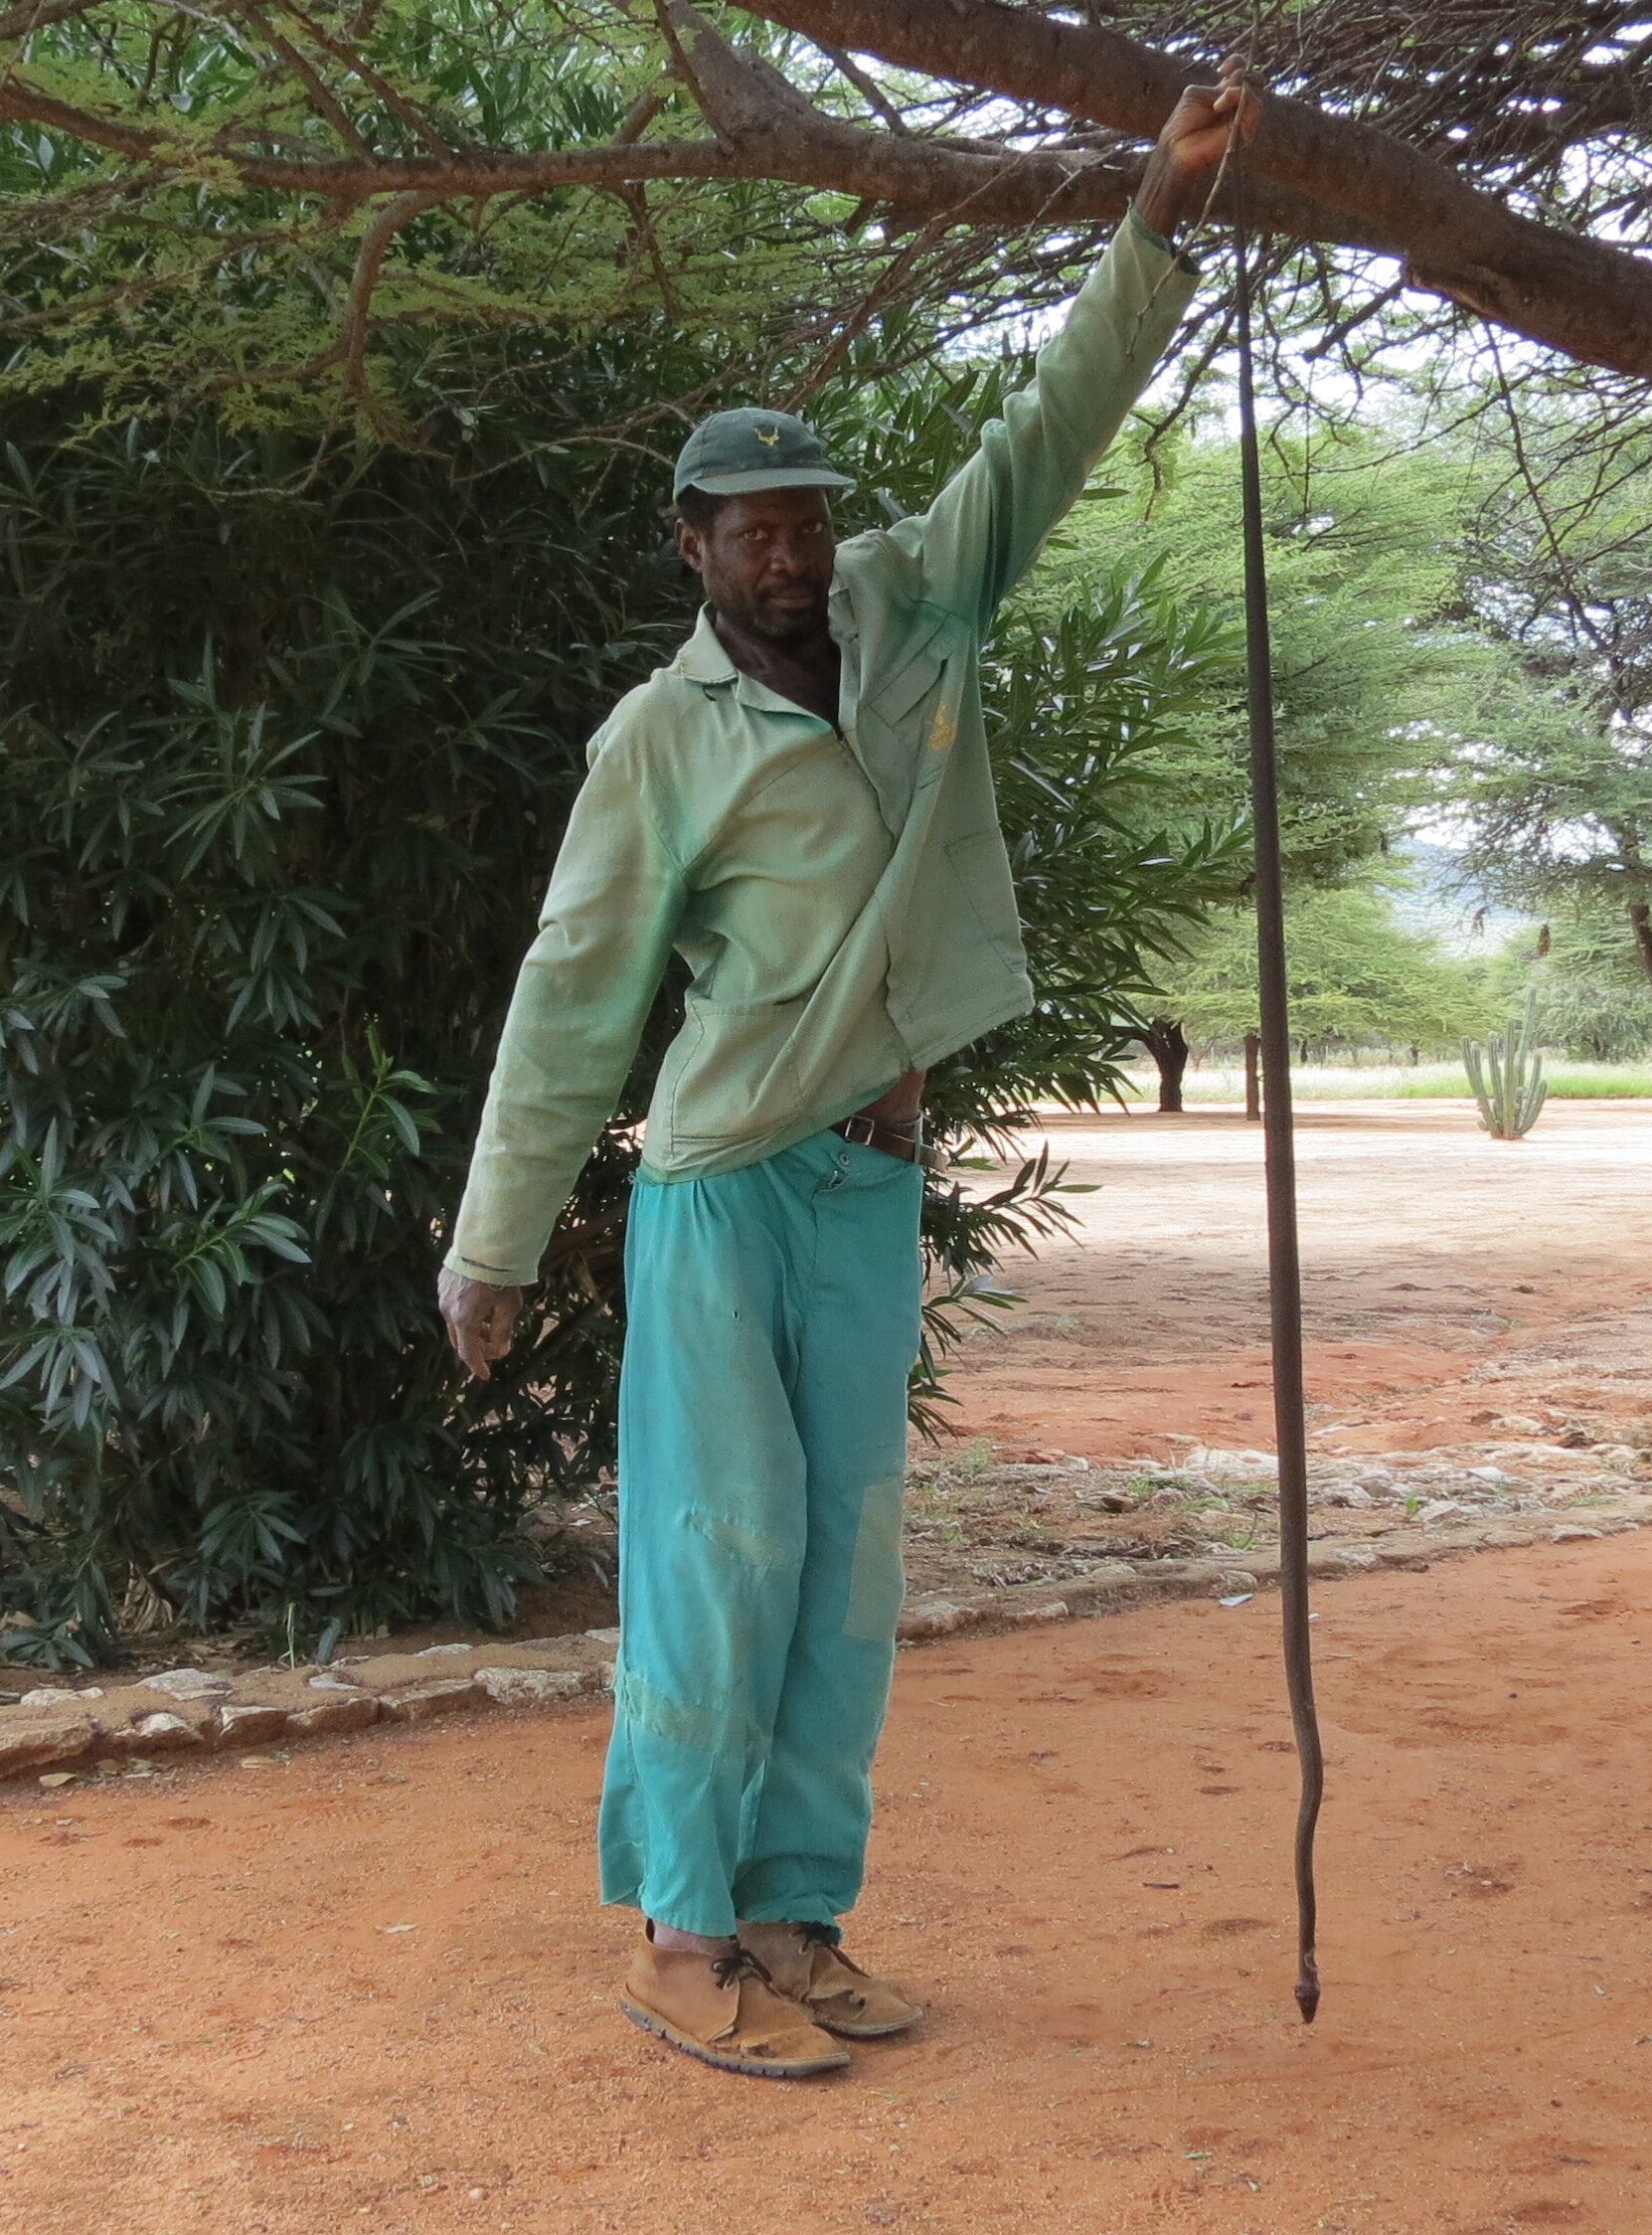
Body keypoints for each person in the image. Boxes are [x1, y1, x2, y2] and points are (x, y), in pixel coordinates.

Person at [430, 71, 1253, 2078]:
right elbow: (570, 991)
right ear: (693, 541)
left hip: (864, 1186)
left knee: (848, 1561)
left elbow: (1048, 423)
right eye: (751, 526)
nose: (789, 550)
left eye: (805, 514)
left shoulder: (915, 601)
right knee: (719, 1551)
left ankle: (798, 1910)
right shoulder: (661, 736)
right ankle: (680, 1924)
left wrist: (1160, 209)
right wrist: (494, 1243)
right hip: (721, 1179)